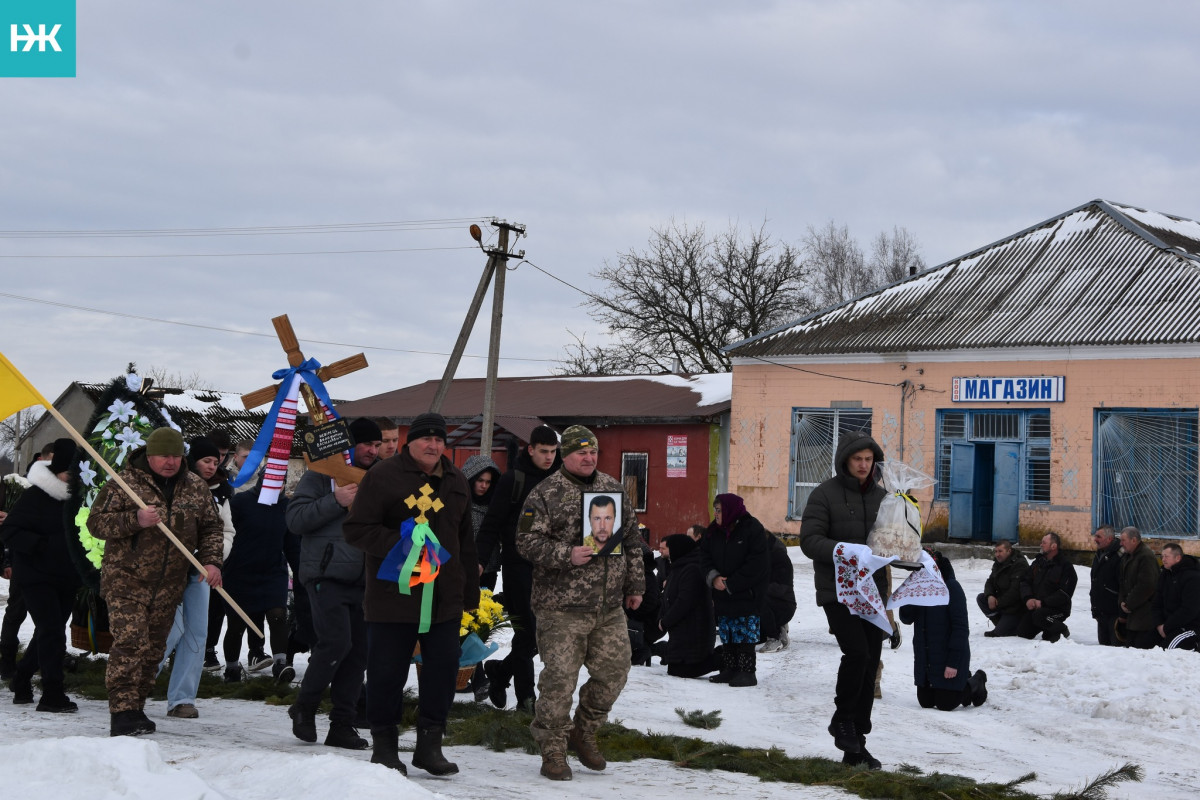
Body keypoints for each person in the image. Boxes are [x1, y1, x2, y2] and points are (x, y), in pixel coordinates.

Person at [344, 411, 479, 777]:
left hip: (443, 599)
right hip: (393, 597)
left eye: (439, 439)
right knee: (387, 674)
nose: (433, 445)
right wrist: (404, 545)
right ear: (410, 442)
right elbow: (357, 529)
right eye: (426, 439)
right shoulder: (383, 476)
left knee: (442, 673)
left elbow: (465, 541)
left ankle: (429, 747)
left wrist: (469, 592)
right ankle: (385, 747)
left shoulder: (456, 480)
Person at [516, 424, 645, 782]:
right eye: (581, 452)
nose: (589, 458)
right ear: (565, 455)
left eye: (593, 452)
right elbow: (525, 542)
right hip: (560, 608)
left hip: (607, 607)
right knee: (559, 682)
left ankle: (583, 731)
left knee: (614, 673)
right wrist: (566, 554)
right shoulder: (546, 493)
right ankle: (553, 749)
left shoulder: (612, 488)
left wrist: (635, 584)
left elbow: (631, 539)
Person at [87, 427, 224, 737]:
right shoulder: (124, 483)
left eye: (175, 456)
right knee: (130, 642)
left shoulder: (195, 487)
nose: (170, 462)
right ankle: (122, 712)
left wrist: (212, 561)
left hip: (169, 584)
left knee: (153, 649)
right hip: (127, 580)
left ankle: (136, 707)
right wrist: (135, 519)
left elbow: (211, 528)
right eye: (163, 456)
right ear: (149, 456)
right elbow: (96, 523)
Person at [284, 417, 381, 751]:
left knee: (358, 654)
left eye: (377, 445)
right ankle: (305, 707)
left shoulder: (378, 478)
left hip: (365, 579)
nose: (373, 450)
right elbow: (295, 519)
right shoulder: (321, 474)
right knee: (336, 643)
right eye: (367, 443)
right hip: (326, 576)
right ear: (350, 445)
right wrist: (335, 500)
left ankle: (342, 724)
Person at [799, 432, 887, 769]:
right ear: (845, 461)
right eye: (857, 459)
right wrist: (844, 551)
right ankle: (843, 720)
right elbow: (810, 541)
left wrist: (911, 550)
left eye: (868, 459)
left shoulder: (884, 498)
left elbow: (892, 541)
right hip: (837, 590)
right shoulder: (824, 494)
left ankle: (856, 744)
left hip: (872, 591)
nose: (863, 465)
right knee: (857, 652)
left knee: (871, 661)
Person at [476, 424, 561, 711]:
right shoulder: (514, 479)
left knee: (539, 636)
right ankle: (527, 700)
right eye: (544, 451)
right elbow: (492, 523)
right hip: (518, 566)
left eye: (553, 452)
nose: (549, 457)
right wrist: (479, 560)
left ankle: (500, 672)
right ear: (531, 449)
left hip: (552, 567)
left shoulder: (562, 480)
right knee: (527, 631)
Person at [157, 437, 236, 719]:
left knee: (196, 632)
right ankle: (137, 682)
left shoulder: (222, 493)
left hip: (200, 573)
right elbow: (169, 523)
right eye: (206, 461)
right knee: (169, 630)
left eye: (216, 461)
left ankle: (182, 698)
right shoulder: (175, 485)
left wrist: (212, 559)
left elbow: (225, 531)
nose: (212, 466)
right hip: (168, 570)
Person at [0, 438, 81, 711]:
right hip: (36, 576)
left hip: (67, 577)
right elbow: (9, 530)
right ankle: (52, 694)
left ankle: (22, 678)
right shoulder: (36, 496)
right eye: (68, 472)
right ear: (57, 470)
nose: (73, 477)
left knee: (50, 632)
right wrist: (41, 545)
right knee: (52, 632)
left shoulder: (78, 500)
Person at [224, 474, 292, 684]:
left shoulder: (287, 507)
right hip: (239, 571)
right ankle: (232, 668)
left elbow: (292, 543)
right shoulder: (241, 502)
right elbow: (225, 532)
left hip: (273, 571)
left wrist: (300, 571)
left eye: (281, 482)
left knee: (278, 615)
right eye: (272, 480)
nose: (277, 486)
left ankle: (280, 664)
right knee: (237, 624)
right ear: (262, 480)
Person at [899, 551, 987, 711]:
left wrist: (953, 663)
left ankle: (976, 681)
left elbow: (961, 629)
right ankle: (960, 680)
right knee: (925, 702)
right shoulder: (919, 587)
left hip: (949, 658)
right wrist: (910, 590)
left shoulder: (952, 588)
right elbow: (906, 618)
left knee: (946, 704)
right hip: (927, 660)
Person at [699, 494, 770, 686]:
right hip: (721, 592)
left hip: (746, 593)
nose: (716, 514)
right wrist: (714, 578)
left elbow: (757, 563)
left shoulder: (752, 528)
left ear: (731, 510)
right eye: (715, 510)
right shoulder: (713, 531)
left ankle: (747, 672)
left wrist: (732, 583)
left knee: (744, 632)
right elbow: (704, 556)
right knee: (727, 631)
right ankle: (730, 669)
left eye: (719, 510)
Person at [461, 453, 501, 700]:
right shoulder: (459, 504)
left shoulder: (495, 506)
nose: (484, 486)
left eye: (488, 481)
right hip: (461, 571)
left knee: (479, 623)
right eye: (479, 480)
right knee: (463, 623)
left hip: (488, 570)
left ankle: (471, 675)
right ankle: (476, 677)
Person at [657, 533, 719, 678]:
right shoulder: (679, 567)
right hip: (682, 634)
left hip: (694, 634)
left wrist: (666, 621)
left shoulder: (692, 569)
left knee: (683, 670)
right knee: (675, 669)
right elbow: (668, 596)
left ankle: (723, 659)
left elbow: (684, 602)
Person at [1017, 532, 1077, 642]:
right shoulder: (1038, 563)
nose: (1041, 545)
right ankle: (1046, 627)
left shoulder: (1065, 566)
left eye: (1044, 543)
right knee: (1023, 632)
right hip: (1037, 607)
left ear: (1053, 546)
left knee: (1048, 634)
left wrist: (1043, 603)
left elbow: (1064, 593)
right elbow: (1025, 581)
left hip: (1057, 609)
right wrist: (1028, 598)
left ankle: (1061, 629)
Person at [1117, 526, 1159, 649]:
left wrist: (1128, 603)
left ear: (1134, 540)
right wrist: (1122, 603)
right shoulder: (1128, 556)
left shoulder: (1145, 556)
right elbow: (1123, 582)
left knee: (1140, 651)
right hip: (1132, 617)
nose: (1121, 544)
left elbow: (1147, 585)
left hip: (1144, 618)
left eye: (1123, 540)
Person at [977, 539, 1028, 638]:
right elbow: (990, 582)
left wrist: (998, 602)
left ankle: (1009, 626)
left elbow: (1015, 592)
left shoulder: (1020, 564)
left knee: (999, 633)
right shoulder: (998, 563)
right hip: (1003, 603)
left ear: (1009, 551)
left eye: (1000, 551)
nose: (997, 554)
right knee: (982, 598)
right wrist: (990, 595)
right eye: (996, 551)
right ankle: (1001, 624)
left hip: (1016, 607)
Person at [1153, 543, 1200, 650]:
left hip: (1190, 626)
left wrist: (1167, 627)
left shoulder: (1193, 577)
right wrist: (1159, 624)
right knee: (1142, 646)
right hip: (1165, 625)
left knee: (1167, 650)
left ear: (1178, 558)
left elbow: (1189, 609)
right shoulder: (1165, 574)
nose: (1163, 559)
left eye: (1166, 556)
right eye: (1162, 556)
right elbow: (1156, 603)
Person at [758, 533, 797, 653]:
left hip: (783, 604)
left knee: (758, 598)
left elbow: (782, 588)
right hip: (771, 603)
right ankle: (778, 630)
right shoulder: (756, 556)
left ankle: (774, 637)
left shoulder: (778, 557)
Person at [1089, 525, 1122, 646]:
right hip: (1101, 612)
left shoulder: (1120, 555)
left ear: (1109, 539)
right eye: (1095, 536)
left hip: (1115, 613)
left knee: (1115, 649)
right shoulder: (1099, 554)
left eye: (1099, 537)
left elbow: (1123, 584)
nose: (1095, 539)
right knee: (1103, 647)